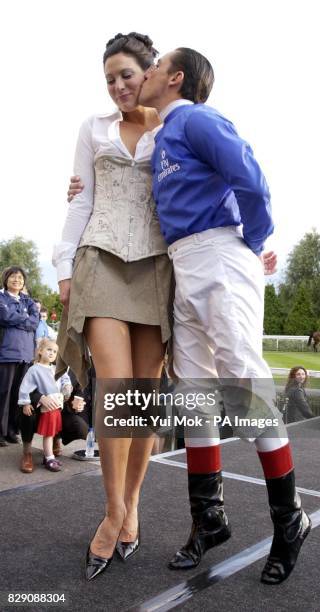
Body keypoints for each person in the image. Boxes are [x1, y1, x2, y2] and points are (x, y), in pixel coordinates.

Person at [134, 47, 311, 585]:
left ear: (177, 77)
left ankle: (290, 520)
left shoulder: (199, 118)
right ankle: (209, 519)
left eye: (155, 64)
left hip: (219, 255)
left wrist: (249, 245)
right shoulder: (162, 135)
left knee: (243, 381)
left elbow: (251, 181)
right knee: (194, 391)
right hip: (184, 262)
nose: (147, 72)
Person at [52, 32, 175, 581]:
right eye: (109, 79)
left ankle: (133, 507)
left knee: (143, 403)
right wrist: (62, 268)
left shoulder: (175, 126)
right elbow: (81, 198)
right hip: (99, 258)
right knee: (116, 387)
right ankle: (112, 514)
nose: (118, 85)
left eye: (126, 73)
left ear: (149, 71)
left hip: (156, 266)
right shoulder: (92, 129)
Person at [18, 338, 72, 472]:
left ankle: (49, 454)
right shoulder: (34, 370)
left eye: (55, 351)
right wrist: (25, 403)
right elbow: (25, 387)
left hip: (56, 406)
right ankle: (46, 457)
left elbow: (65, 377)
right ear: (40, 351)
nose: (52, 353)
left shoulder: (56, 369)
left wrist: (67, 385)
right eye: (49, 350)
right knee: (48, 432)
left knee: (52, 432)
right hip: (43, 407)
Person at [0, 266, 39, 446]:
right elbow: (5, 316)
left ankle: (11, 430)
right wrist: (25, 319)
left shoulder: (28, 300)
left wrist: (20, 319)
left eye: (20, 278)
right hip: (7, 353)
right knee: (4, 393)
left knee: (19, 394)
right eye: (13, 277)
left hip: (25, 354)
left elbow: (35, 321)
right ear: (6, 279)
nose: (17, 280)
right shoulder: (1, 298)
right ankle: (0, 432)